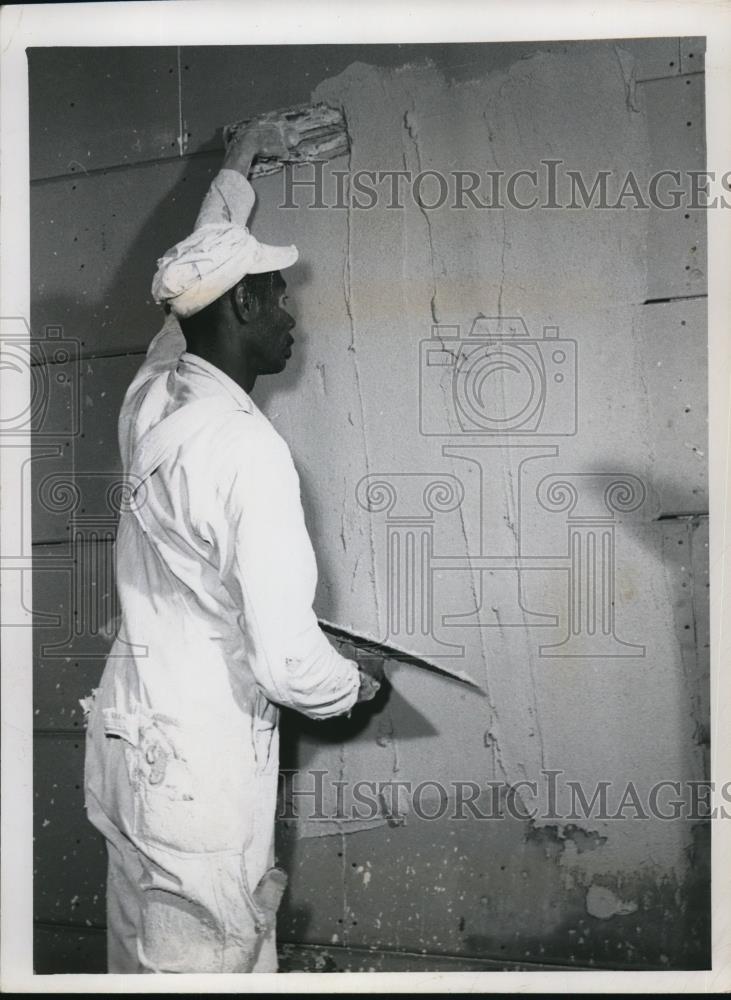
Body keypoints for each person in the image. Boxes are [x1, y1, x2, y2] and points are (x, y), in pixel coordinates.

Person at [82, 123, 383, 974]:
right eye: (278, 293)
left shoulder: (153, 394)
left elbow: (185, 288)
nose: (290, 312)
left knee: (140, 967)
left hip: (133, 752)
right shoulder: (248, 452)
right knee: (209, 970)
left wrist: (237, 170)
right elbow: (289, 666)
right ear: (241, 305)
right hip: (199, 784)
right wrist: (350, 685)